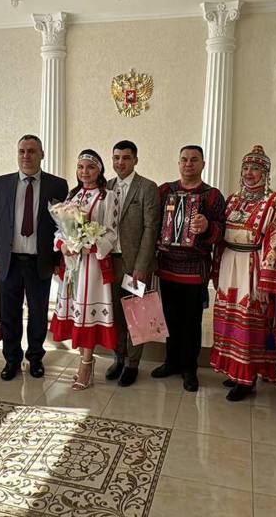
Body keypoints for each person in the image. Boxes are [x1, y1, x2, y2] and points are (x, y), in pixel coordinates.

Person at [0, 134, 68, 381]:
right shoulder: (0, 184)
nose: (26, 156)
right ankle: (11, 359)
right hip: (9, 261)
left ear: (42, 154)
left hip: (39, 262)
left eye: (32, 151)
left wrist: (57, 261)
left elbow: (63, 225)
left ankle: (36, 358)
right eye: (22, 151)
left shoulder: (57, 185)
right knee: (9, 314)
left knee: (39, 313)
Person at [210, 145, 276, 401]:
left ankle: (247, 378)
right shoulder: (232, 200)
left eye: (255, 168)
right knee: (228, 320)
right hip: (229, 262)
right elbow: (220, 234)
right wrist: (216, 266)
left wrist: (266, 281)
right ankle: (233, 371)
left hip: (253, 266)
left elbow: (275, 242)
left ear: (265, 173)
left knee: (249, 324)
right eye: (246, 168)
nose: (249, 173)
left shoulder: (273, 201)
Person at [154, 145, 225, 392]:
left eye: (194, 160)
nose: (188, 164)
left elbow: (222, 232)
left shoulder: (213, 195)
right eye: (184, 159)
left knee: (191, 321)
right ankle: (171, 362)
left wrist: (207, 226)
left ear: (203, 164)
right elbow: (153, 223)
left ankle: (189, 369)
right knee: (169, 317)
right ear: (178, 163)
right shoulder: (165, 191)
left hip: (195, 269)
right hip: (167, 266)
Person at [50, 150, 119, 390]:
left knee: (87, 315)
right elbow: (61, 230)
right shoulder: (72, 196)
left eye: (90, 167)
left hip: (93, 267)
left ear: (99, 170)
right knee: (76, 315)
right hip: (72, 267)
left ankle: (86, 366)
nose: (84, 172)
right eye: (80, 167)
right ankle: (83, 362)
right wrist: (64, 245)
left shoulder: (107, 197)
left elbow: (111, 231)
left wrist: (91, 242)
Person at [105, 140, 160, 387]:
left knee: (137, 315)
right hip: (109, 263)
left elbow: (151, 229)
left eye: (126, 158)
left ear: (135, 160)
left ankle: (133, 364)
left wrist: (142, 265)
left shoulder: (147, 188)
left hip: (135, 263)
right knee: (115, 315)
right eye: (116, 158)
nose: (120, 162)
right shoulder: (106, 186)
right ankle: (118, 358)